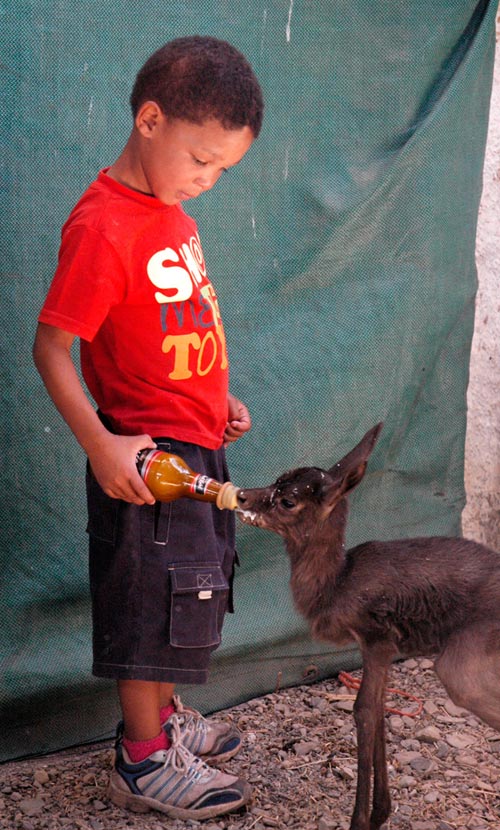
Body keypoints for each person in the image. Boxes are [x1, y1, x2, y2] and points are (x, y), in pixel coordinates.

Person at [33, 35, 263, 821]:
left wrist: (216, 400)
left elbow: (173, 331)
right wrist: (100, 445)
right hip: (147, 461)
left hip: (198, 442)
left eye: (223, 170)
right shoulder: (104, 226)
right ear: (151, 120)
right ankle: (142, 759)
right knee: (149, 606)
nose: (207, 180)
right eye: (201, 159)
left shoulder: (171, 215)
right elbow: (51, 348)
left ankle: (164, 719)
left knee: (186, 596)